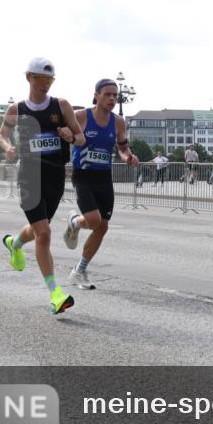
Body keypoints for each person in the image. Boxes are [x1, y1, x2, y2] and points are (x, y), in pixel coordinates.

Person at [0, 57, 85, 315]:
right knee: (44, 232)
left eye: (50, 80)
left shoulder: (62, 105)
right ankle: (55, 294)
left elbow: (79, 137)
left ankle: (14, 243)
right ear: (29, 78)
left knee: (38, 228)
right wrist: (8, 147)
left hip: (55, 176)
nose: (45, 85)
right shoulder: (17, 109)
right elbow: (1, 134)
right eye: (41, 79)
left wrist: (71, 136)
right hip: (29, 176)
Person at [62, 79, 140, 290]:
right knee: (94, 220)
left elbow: (122, 148)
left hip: (104, 177)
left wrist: (128, 157)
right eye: (107, 94)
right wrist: (66, 135)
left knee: (102, 226)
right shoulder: (81, 116)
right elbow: (60, 130)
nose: (112, 99)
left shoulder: (118, 122)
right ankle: (76, 222)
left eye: (115, 95)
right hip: (83, 175)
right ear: (96, 95)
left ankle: (79, 270)